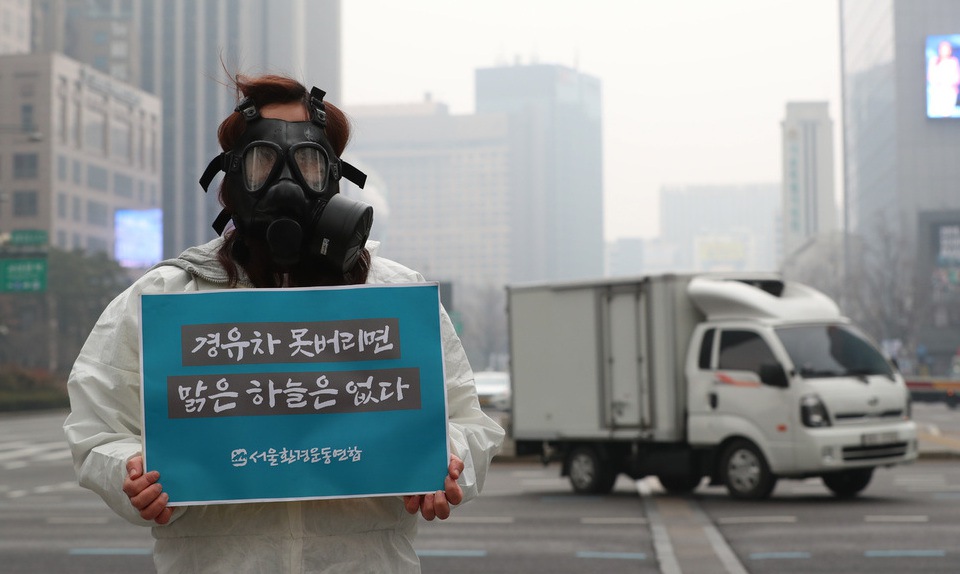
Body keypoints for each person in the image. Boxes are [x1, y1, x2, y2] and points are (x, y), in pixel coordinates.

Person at [63, 73, 505, 573]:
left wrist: (440, 461)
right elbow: (96, 427)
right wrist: (131, 473)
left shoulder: (392, 296)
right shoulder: (166, 296)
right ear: (230, 181)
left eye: (309, 163)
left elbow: (468, 422)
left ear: (335, 180)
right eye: (263, 162)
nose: (286, 183)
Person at [927, 39, 960, 117]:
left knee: (947, 114)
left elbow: (957, 78)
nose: (945, 51)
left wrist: (948, 83)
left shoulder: (953, 61)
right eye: (943, 49)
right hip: (937, 92)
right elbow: (930, 76)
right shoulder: (933, 61)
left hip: (950, 93)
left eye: (947, 49)